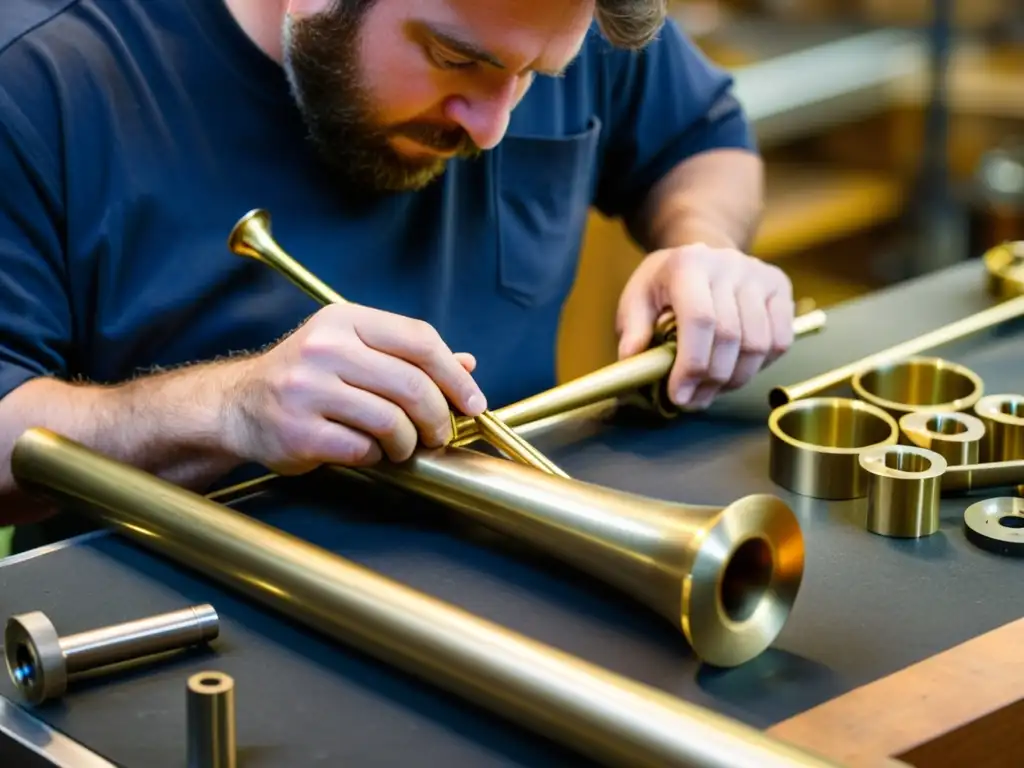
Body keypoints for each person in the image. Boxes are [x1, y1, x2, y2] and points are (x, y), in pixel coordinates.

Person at [0, 0, 794, 549]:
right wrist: (230, 410)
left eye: (537, 78)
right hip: (176, 632)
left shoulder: (536, 19)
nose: (494, 128)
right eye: (457, 60)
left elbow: (703, 137)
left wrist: (707, 246)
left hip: (530, 568)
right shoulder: (39, 76)